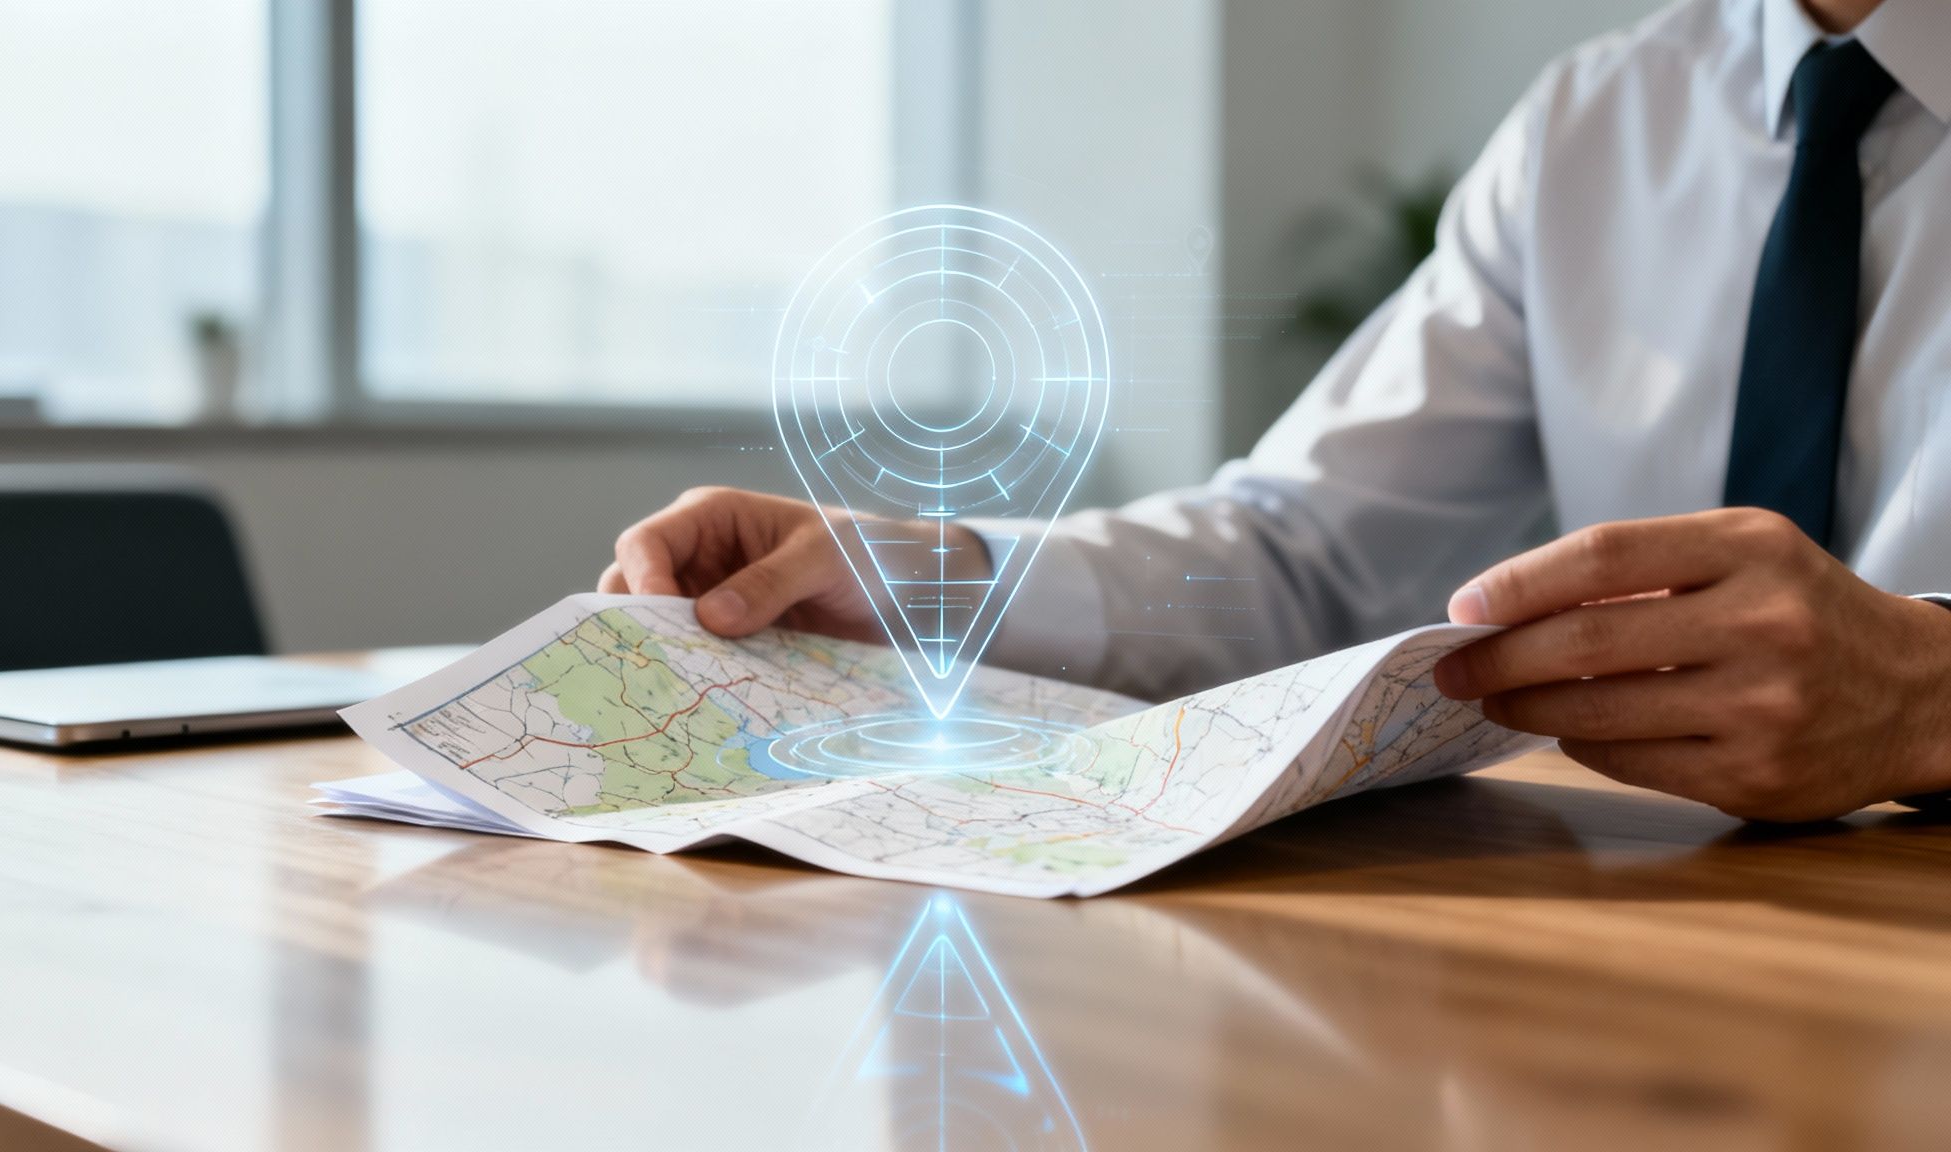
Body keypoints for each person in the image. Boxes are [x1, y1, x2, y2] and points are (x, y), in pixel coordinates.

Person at [600, 0, 1951, 822]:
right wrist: (938, 578)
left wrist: (1926, 700)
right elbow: (1306, 552)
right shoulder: (1599, 121)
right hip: (1680, 970)